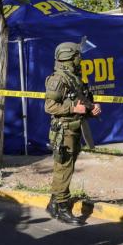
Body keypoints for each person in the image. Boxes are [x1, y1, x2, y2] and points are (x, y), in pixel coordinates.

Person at [44, 41, 102, 225]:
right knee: (64, 167)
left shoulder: (73, 78)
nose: (80, 59)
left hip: (75, 127)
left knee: (65, 166)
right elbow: (49, 106)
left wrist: (91, 109)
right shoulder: (58, 79)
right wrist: (73, 108)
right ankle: (62, 208)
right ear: (69, 57)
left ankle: (53, 203)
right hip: (64, 129)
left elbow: (80, 102)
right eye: (78, 55)